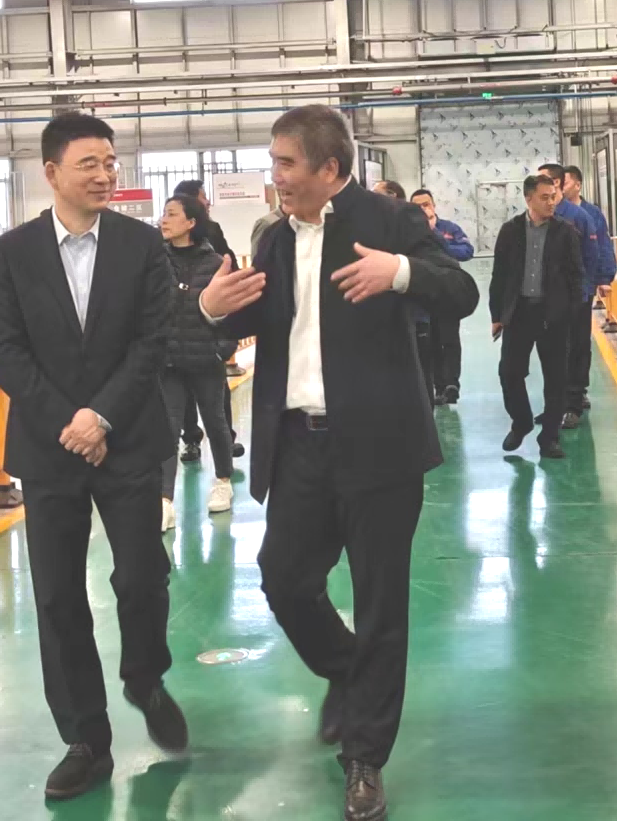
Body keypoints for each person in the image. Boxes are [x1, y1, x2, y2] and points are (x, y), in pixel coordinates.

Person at [199, 105, 478, 822]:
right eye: (273, 162)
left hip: (379, 446)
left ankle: (365, 758)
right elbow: (258, 319)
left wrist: (401, 272)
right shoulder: (273, 238)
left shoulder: (388, 222)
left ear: (329, 168)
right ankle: (348, 670)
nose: (275, 176)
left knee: (381, 602)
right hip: (299, 443)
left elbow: (461, 291)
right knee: (284, 577)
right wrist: (211, 308)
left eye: (285, 163)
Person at [0, 112, 186, 801]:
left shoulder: (141, 244)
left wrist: (100, 416)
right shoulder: (11, 252)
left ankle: (144, 677)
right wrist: (67, 422)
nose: (105, 175)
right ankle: (85, 740)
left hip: (126, 438)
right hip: (49, 450)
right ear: (51, 173)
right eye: (89, 164)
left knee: (141, 575)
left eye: (110, 162)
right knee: (57, 594)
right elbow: (7, 352)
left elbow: (152, 340)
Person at [489, 173, 589, 460]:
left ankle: (549, 439)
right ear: (528, 198)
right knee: (509, 373)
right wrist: (497, 315)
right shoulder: (510, 231)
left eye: (553, 196)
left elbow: (576, 276)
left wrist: (572, 313)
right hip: (519, 314)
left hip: (553, 316)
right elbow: (500, 275)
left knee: (556, 379)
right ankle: (521, 421)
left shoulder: (565, 232)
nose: (551, 202)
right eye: (544, 197)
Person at [159, 193, 235, 528]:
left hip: (206, 359)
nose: (164, 220)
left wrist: (222, 350)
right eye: (164, 214)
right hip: (169, 361)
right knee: (168, 427)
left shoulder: (215, 263)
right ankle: (164, 500)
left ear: (191, 222)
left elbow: (232, 311)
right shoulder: (156, 261)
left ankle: (223, 481)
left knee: (215, 420)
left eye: (172, 214)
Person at [561, 163, 617, 426]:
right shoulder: (554, 212)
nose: (561, 188)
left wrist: (604, 278)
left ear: (578, 184)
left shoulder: (591, 214)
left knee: (580, 341)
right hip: (558, 290)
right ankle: (564, 392)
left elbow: (603, 246)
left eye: (565, 183)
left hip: (583, 287)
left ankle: (578, 388)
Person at [408, 189, 472, 405]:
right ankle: (439, 386)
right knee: (430, 341)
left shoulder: (449, 229)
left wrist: (437, 237)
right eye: (417, 206)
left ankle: (452, 384)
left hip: (448, 292)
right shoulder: (409, 233)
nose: (423, 209)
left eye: (426, 204)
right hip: (424, 295)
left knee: (450, 338)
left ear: (434, 205)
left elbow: (466, 251)